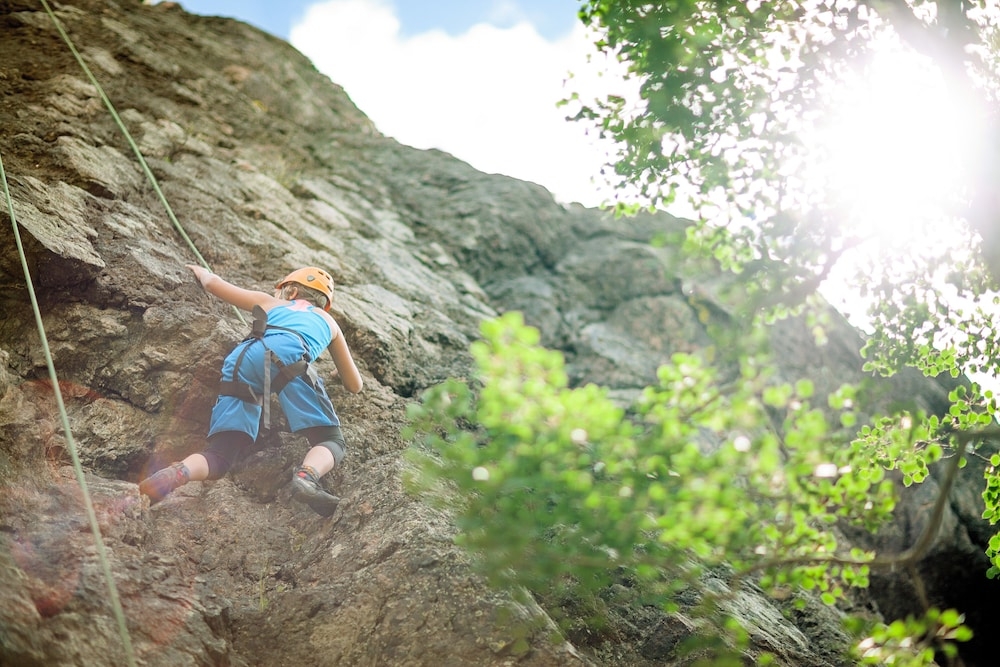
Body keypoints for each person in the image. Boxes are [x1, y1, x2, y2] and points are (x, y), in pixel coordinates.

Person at [139, 264, 363, 516]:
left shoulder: (269, 303)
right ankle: (307, 476)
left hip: (243, 358)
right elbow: (354, 385)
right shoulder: (329, 322)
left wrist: (201, 272)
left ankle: (179, 471)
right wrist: (337, 373)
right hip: (289, 359)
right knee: (330, 440)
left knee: (219, 455)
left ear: (290, 291)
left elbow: (212, 284)